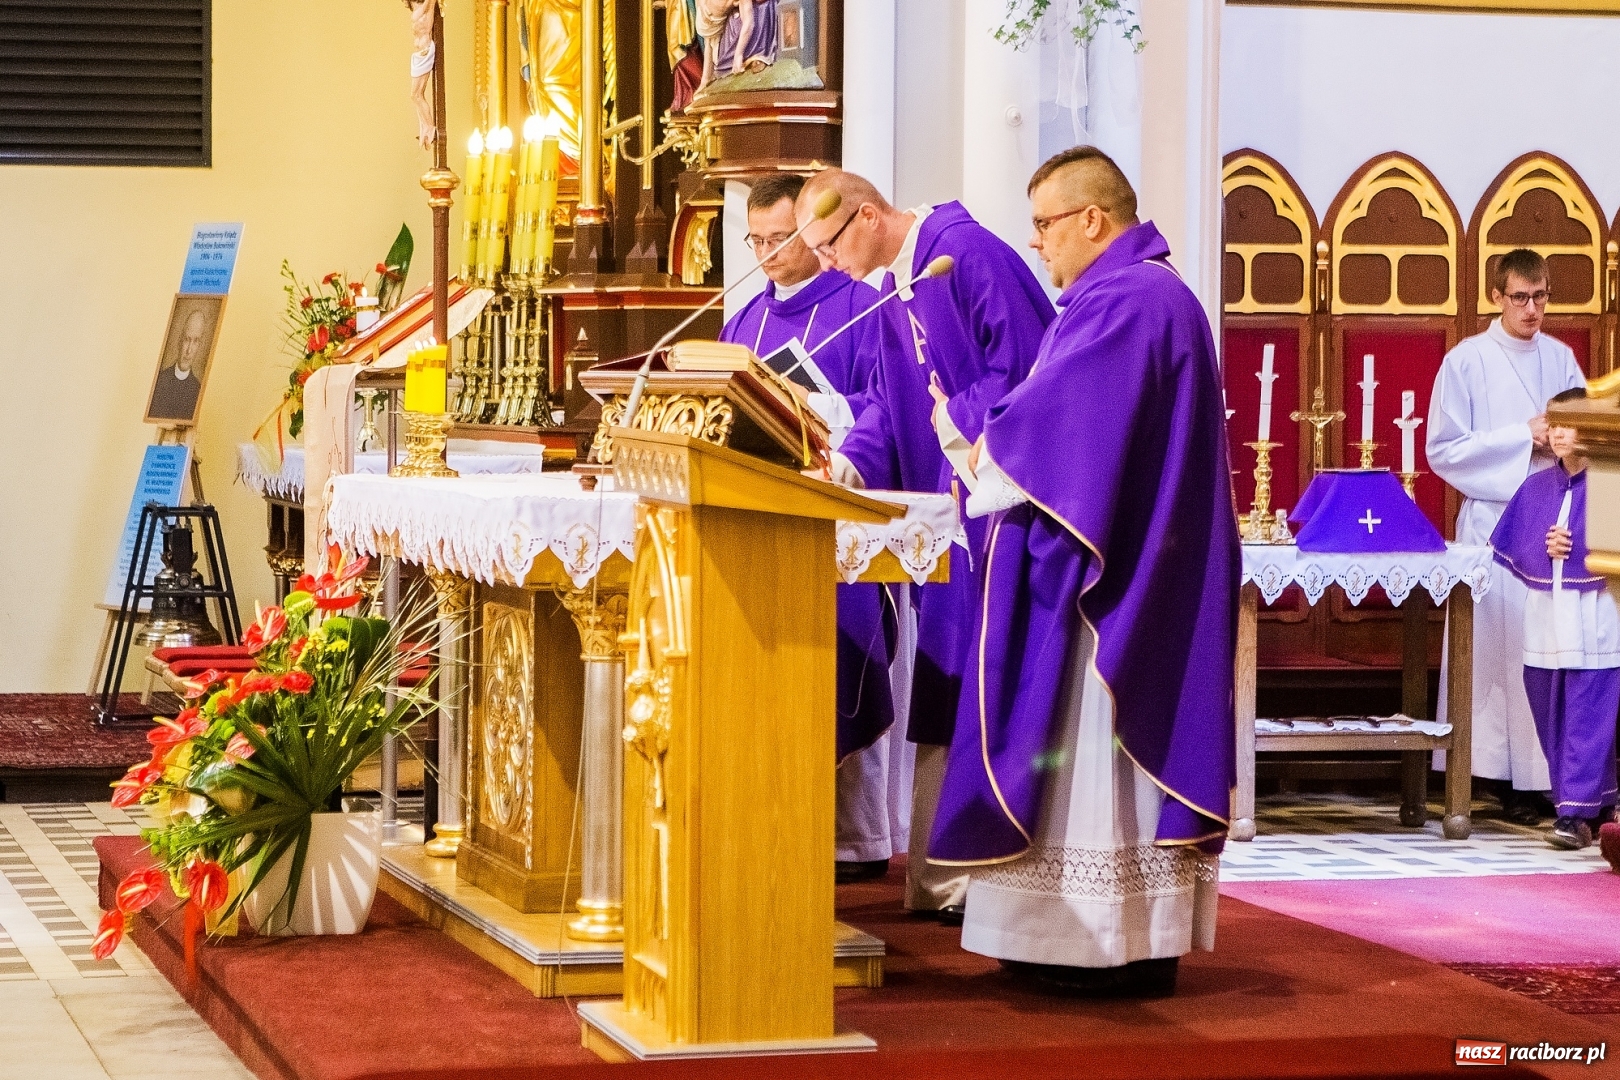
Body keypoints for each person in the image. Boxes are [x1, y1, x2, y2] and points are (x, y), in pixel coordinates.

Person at [928, 146, 1236, 997]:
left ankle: (1096, 942)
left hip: (1117, 585)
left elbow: (1055, 430)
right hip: (1128, 562)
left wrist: (965, 419)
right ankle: (1096, 938)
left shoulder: (1130, 301)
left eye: (1045, 227)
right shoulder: (1130, 295)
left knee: (1091, 758)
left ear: (1092, 220)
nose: (1039, 247)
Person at [796, 168, 1055, 922]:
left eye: (829, 245)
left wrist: (957, 428)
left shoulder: (964, 256)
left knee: (981, 678)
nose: (827, 264)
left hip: (995, 512)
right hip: (951, 519)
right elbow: (882, 400)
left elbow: (1028, 368)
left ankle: (989, 871)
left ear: (869, 216)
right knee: (946, 683)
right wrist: (848, 463)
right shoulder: (895, 289)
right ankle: (947, 876)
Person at [717, 173, 907, 883]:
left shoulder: (865, 304)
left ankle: (853, 841)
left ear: (809, 229)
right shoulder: (742, 322)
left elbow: (893, 409)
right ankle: (763, 814)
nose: (767, 254)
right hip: (755, 522)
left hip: (838, 522)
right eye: (756, 240)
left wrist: (816, 407)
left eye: (780, 239)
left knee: (843, 655)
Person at [1428, 249, 1585, 825]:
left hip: (1550, 522)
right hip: (1493, 522)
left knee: (1539, 645)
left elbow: (1588, 429)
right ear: (1497, 296)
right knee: (1491, 651)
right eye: (1520, 297)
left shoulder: (1562, 359)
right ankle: (1482, 771)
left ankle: (1540, 779)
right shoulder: (1468, 360)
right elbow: (1443, 449)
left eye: (1541, 296)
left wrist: (1564, 440)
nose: (1533, 309)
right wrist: (1524, 439)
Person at [1490, 387, 1618, 850]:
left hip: (1598, 614)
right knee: (1548, 706)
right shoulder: (1537, 485)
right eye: (1555, 422)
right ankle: (1596, 802)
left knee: (1588, 709)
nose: (1560, 432)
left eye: (1572, 423)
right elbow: (1515, 542)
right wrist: (1544, 548)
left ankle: (1572, 814)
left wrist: (1583, 548)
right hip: (1546, 615)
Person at [148, 308, 209, 422]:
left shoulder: (197, 390)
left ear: (200, 345)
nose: (189, 350)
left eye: (196, 341)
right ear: (180, 341)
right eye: (187, 339)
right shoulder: (160, 380)